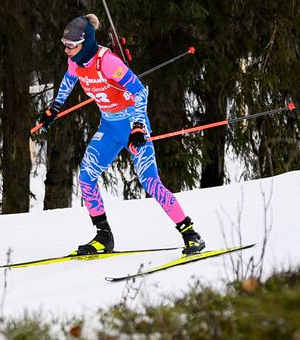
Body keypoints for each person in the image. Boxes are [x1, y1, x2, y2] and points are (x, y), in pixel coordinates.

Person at [34, 14, 206, 256]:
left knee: (150, 182)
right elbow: (68, 82)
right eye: (65, 45)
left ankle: (190, 234)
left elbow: (139, 91)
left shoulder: (108, 63)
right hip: (109, 127)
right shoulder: (76, 62)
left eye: (71, 46)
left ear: (86, 43)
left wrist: (137, 126)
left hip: (133, 125)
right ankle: (103, 236)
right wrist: (54, 108)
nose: (66, 50)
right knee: (86, 177)